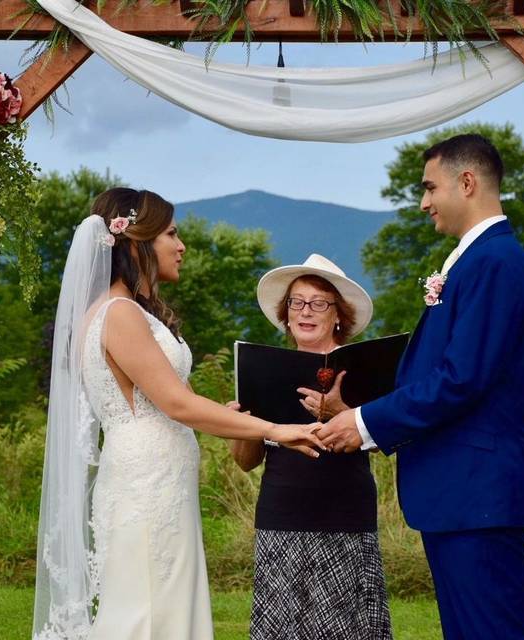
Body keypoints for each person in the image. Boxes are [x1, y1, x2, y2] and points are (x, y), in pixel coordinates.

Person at [32, 188, 324, 640]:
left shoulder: (127, 312)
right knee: (146, 611)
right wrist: (275, 429)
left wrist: (236, 416)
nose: (181, 245)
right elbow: (178, 404)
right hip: (146, 484)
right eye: (171, 233)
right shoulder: (120, 314)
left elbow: (181, 402)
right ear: (135, 241)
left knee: (161, 606)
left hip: (158, 479)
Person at [317, 134, 524, 639]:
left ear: (466, 183)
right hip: (463, 492)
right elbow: (449, 373)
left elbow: (462, 379)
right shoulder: (477, 260)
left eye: (429, 188)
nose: (423, 202)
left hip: (478, 492)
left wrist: (362, 425)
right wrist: (355, 405)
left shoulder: (494, 262)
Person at [229, 254, 392, 640]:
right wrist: (244, 424)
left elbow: (386, 443)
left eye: (319, 302)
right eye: (297, 302)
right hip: (282, 514)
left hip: (345, 516)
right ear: (285, 314)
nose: (306, 310)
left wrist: (342, 412)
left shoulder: (363, 368)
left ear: (338, 314)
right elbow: (245, 462)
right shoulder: (263, 369)